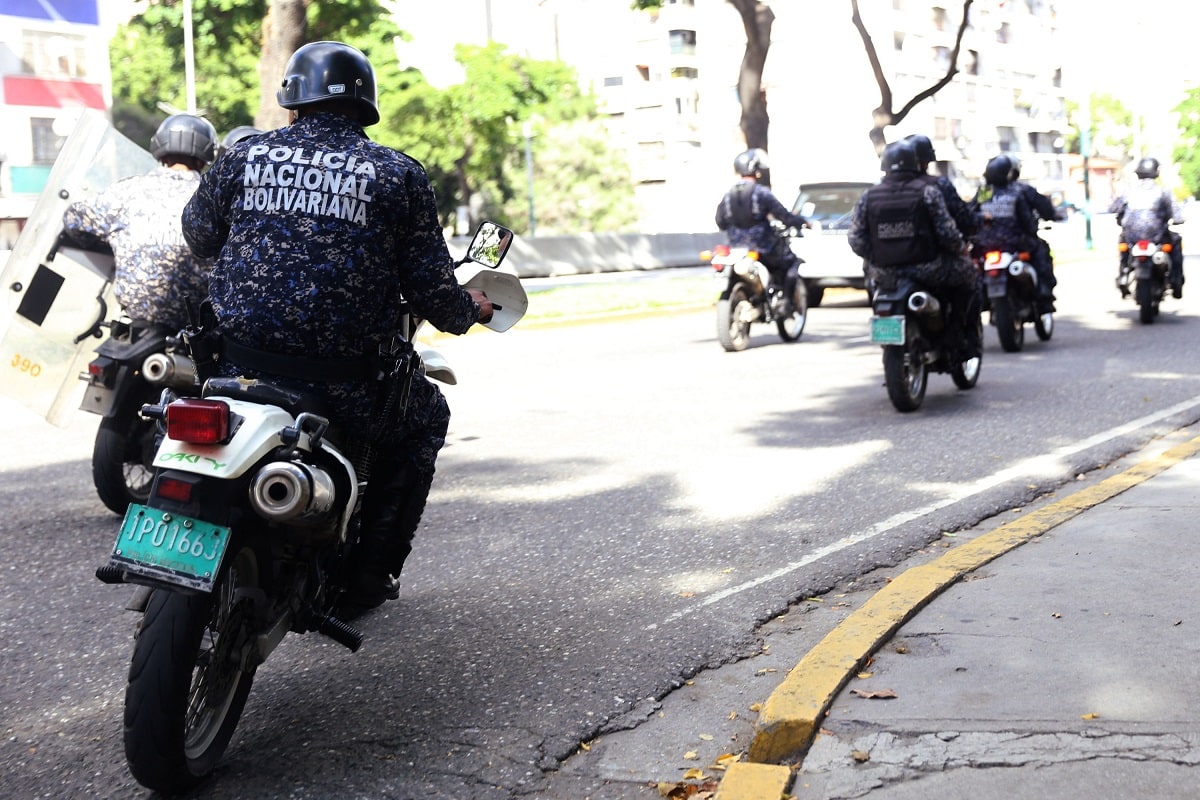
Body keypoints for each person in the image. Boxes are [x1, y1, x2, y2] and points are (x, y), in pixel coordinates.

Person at [181, 41, 496, 613]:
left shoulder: (240, 157)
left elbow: (199, 237)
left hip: (232, 366)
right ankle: (366, 581)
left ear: (292, 98)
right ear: (365, 104)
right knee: (427, 417)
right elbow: (434, 294)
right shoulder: (398, 174)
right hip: (342, 383)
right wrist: (468, 308)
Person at [62, 114, 218, 332]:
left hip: (136, 328)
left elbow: (73, 219)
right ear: (205, 156)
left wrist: (112, 242)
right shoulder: (211, 198)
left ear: (159, 148)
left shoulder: (126, 192)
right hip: (194, 330)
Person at [849, 139, 980, 358]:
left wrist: (876, 258)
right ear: (916, 163)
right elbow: (947, 233)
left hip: (884, 273)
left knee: (871, 282)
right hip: (929, 270)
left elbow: (856, 239)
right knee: (968, 275)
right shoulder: (928, 191)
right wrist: (960, 249)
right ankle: (957, 336)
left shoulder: (869, 196)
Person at [715, 148, 811, 312]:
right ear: (755, 169)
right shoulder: (761, 192)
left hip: (736, 248)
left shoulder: (728, 195)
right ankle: (786, 304)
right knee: (791, 263)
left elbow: (720, 222)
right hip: (763, 247)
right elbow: (784, 216)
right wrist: (802, 222)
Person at [1109, 156, 1185, 299]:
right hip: (1157, 236)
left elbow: (1113, 208)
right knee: (1177, 241)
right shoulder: (1163, 192)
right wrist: (1178, 220)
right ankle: (1176, 279)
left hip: (1132, 237)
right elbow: (1177, 214)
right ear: (1156, 172)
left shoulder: (1128, 191)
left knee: (1123, 244)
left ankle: (1124, 273)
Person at [1004, 155, 1060, 312]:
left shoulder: (986, 191)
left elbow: (971, 213)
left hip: (989, 244)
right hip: (1022, 242)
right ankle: (1044, 294)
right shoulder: (1022, 190)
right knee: (1042, 253)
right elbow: (1046, 210)